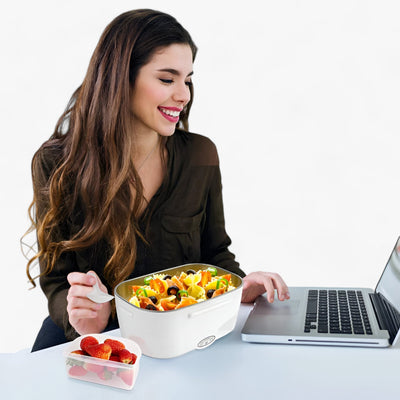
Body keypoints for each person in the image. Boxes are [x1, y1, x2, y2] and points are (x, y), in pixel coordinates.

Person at [24, 9, 290, 352]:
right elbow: (57, 281)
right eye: (167, 79)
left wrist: (239, 286)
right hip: (90, 344)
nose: (184, 95)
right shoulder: (56, 163)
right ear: (121, 79)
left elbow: (214, 254)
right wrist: (81, 315)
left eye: (188, 79)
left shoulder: (199, 155)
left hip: (177, 344)